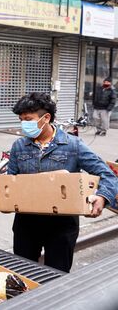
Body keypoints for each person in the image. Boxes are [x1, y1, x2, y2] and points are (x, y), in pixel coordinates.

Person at [8, 92, 118, 272]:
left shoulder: (73, 145)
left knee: (56, 276)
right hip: (26, 223)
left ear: (46, 118)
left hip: (62, 225)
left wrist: (103, 197)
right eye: (21, 120)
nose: (24, 124)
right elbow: (10, 180)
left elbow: (107, 175)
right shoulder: (19, 146)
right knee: (21, 273)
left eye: (28, 119)